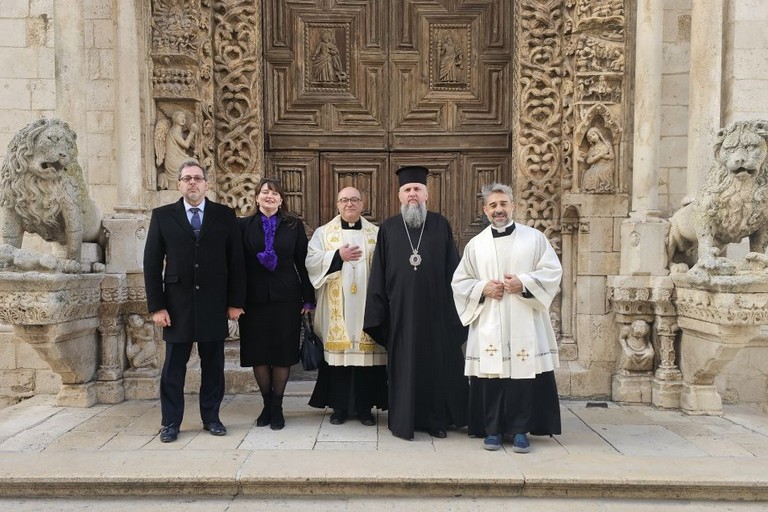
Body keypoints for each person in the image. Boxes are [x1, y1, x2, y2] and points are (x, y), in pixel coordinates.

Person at [451, 183, 562, 453]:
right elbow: (460, 281)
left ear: (513, 205)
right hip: (490, 318)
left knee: (522, 376)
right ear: (485, 209)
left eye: (503, 204)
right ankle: (493, 430)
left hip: (524, 317)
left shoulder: (534, 238)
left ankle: (520, 430)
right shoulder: (475, 245)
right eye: (493, 205)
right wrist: (482, 288)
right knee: (492, 376)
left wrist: (523, 284)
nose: (498, 209)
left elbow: (552, 272)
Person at [143, 158, 246, 443]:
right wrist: (157, 306)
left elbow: (236, 262)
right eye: (187, 178)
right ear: (179, 184)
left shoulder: (225, 215)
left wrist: (235, 302)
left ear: (206, 184)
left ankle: (211, 418)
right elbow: (152, 263)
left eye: (197, 178)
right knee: (173, 367)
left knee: (213, 365)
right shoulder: (162, 216)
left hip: (215, 303)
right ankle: (170, 422)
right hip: (176, 306)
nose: (192, 182)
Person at [364, 165, 468, 440]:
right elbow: (379, 272)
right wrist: (379, 312)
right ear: (400, 196)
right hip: (400, 313)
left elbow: (453, 270)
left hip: (435, 311)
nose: (413, 194)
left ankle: (435, 420)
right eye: (408, 190)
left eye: (417, 190)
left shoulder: (440, 224)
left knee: (435, 367)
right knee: (404, 367)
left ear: (426, 195)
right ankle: (403, 421)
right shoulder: (388, 228)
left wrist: (456, 310)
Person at [306, 187, 387, 426]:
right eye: (344, 200)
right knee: (339, 358)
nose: (349, 204)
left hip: (367, 306)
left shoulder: (377, 233)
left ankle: (365, 408)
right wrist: (336, 256)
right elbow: (311, 261)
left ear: (362, 204)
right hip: (336, 308)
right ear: (337, 205)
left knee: (366, 358)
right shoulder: (324, 233)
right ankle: (339, 407)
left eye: (354, 200)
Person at [238, 178, 315, 430]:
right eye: (264, 192)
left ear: (281, 199)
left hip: (286, 298)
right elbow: (235, 265)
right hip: (253, 300)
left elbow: (302, 263)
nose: (269, 196)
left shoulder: (293, 225)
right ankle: (266, 404)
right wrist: (234, 301)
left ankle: (278, 407)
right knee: (258, 353)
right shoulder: (243, 226)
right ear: (257, 198)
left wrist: (308, 298)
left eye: (274, 193)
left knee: (282, 353)